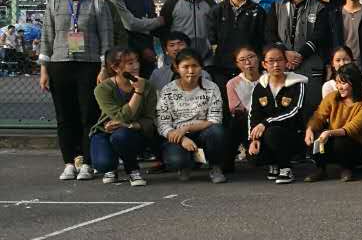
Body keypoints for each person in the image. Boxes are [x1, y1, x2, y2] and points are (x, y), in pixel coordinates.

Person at [40, 0, 115, 180]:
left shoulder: (98, 5)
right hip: (60, 65)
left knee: (88, 114)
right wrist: (44, 69)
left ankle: (87, 163)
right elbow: (47, 38)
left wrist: (104, 68)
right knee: (65, 116)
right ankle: (69, 162)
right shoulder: (54, 4)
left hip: (89, 66)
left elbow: (106, 39)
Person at [157, 47, 227, 183]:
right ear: (177, 68)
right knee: (176, 160)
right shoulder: (167, 90)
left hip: (204, 132)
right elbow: (163, 124)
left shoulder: (211, 87)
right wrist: (182, 138)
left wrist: (186, 128)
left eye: (195, 66)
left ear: (201, 67)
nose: (191, 71)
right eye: (185, 67)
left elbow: (215, 119)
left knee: (217, 131)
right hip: (178, 136)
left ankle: (215, 167)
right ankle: (186, 164)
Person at [89, 47, 157, 186]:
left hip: (135, 132)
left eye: (136, 61)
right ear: (115, 68)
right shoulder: (102, 89)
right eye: (130, 63)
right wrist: (138, 93)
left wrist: (130, 125)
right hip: (106, 131)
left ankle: (133, 170)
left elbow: (150, 118)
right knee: (103, 164)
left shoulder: (147, 85)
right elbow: (119, 117)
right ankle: (111, 167)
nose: (136, 66)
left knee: (122, 135)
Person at [274, 0, 334, 118]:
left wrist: (300, 55)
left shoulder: (319, 7)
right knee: (283, 106)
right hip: (283, 63)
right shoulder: (277, 6)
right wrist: (284, 53)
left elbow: (319, 36)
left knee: (311, 108)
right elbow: (269, 33)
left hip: (310, 64)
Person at [246, 44, 308, 184]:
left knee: (273, 133)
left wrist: (266, 123)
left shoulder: (298, 84)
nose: (276, 65)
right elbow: (253, 114)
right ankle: (273, 163)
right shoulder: (260, 87)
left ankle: (285, 168)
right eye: (271, 61)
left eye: (279, 60)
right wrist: (253, 139)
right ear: (264, 64)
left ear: (286, 62)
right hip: (268, 133)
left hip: (293, 134)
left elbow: (294, 111)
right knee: (253, 156)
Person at [303, 62, 362, 182]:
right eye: (337, 82)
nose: (339, 87)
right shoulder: (332, 97)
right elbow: (319, 116)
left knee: (341, 141)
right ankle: (321, 169)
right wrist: (310, 129)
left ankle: (347, 168)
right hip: (333, 138)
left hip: (356, 143)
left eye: (343, 83)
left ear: (355, 83)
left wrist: (329, 133)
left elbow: (353, 128)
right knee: (315, 136)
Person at [210, 0, 272, 96]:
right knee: (226, 100)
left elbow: (264, 39)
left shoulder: (258, 11)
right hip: (223, 67)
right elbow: (212, 39)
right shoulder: (217, 10)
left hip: (250, 67)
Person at [159, 0, 218, 64]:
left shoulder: (210, 4)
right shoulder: (171, 4)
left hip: (205, 57)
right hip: (178, 57)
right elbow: (163, 31)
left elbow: (215, 30)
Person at [225, 46, 261, 170]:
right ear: (237, 64)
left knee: (258, 161)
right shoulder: (232, 83)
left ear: (258, 58)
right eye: (242, 59)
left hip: (265, 121)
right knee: (236, 121)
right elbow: (235, 108)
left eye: (251, 57)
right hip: (245, 122)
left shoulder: (268, 78)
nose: (248, 62)